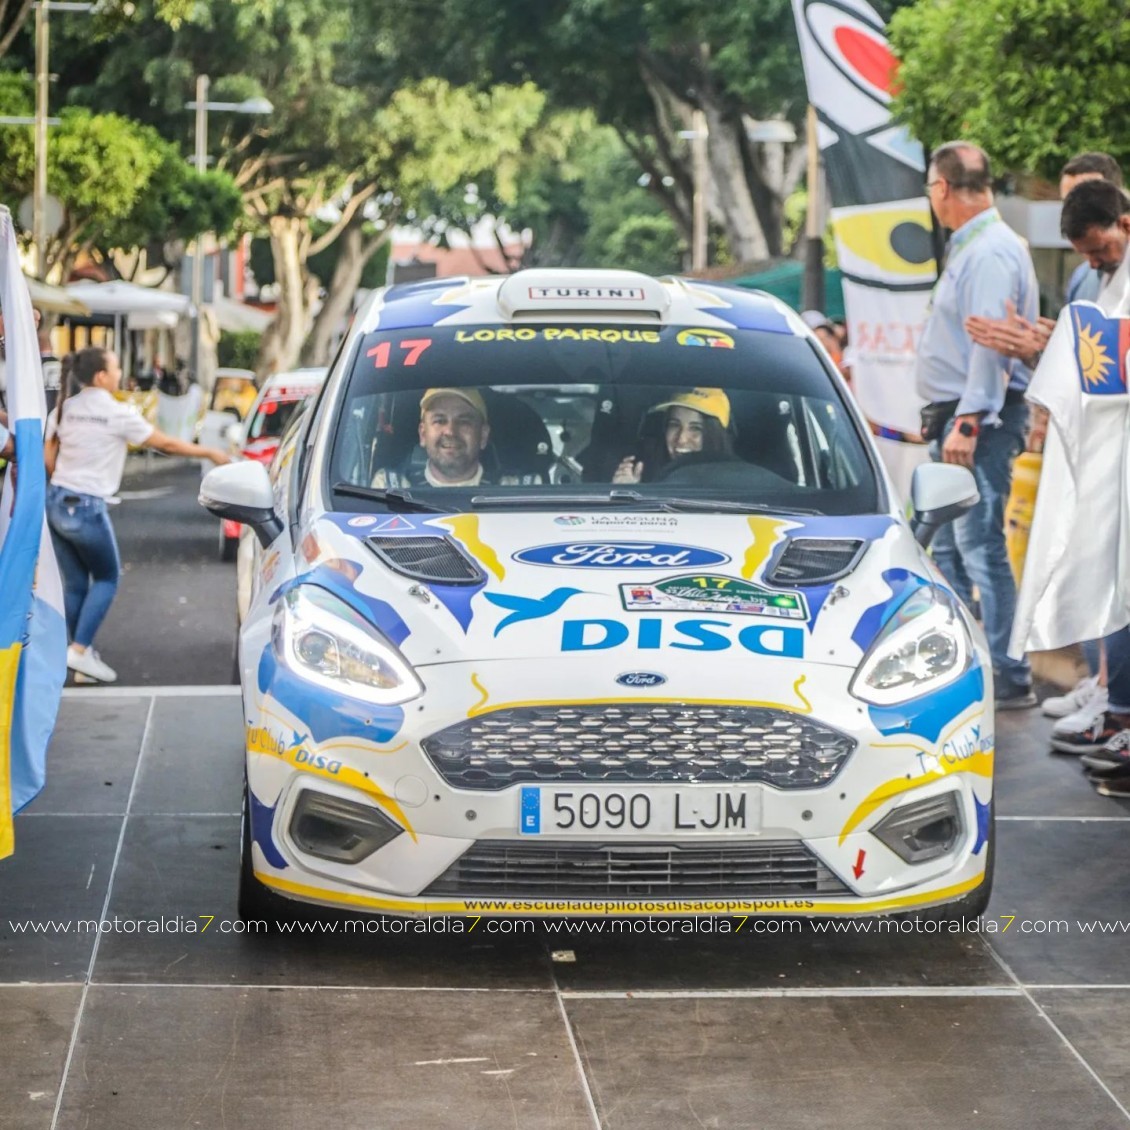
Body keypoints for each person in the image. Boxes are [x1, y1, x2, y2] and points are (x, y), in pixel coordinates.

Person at [966, 154, 1125, 734]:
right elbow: (1095, 363)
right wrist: (1044, 349)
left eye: (1088, 198)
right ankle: (1106, 690)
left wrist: (1049, 345)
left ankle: (1115, 703)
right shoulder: (1095, 274)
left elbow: (1108, 361)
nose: (1092, 257)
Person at [915, 141, 1039, 708]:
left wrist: (967, 420)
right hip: (965, 418)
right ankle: (973, 664)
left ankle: (1007, 674)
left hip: (980, 422)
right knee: (951, 548)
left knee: (977, 544)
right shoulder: (980, 245)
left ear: (942, 188)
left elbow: (990, 344)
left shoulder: (988, 251)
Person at [1015, 180, 1130, 784]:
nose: (1094, 261)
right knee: (1112, 586)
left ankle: (1119, 710)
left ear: (1125, 221)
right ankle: (1115, 707)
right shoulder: (1110, 284)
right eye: (1085, 254)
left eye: (1099, 248)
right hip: (1112, 462)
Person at [45, 346, 230, 684]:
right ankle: (81, 650)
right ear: (101, 376)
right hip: (87, 505)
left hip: (57, 500)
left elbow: (48, 458)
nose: (120, 374)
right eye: (116, 367)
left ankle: (78, 653)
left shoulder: (65, 408)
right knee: (107, 577)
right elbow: (167, 444)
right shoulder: (118, 413)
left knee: (74, 584)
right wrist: (211, 452)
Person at [372, 388, 498, 488]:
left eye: (463, 422)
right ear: (423, 434)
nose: (450, 431)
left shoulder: (511, 489)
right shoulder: (389, 488)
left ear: (483, 435)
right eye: (439, 421)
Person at [613, 388, 734, 484]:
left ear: (715, 435)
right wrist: (628, 492)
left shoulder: (734, 486)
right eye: (674, 425)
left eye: (696, 428)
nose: (681, 439)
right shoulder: (647, 473)